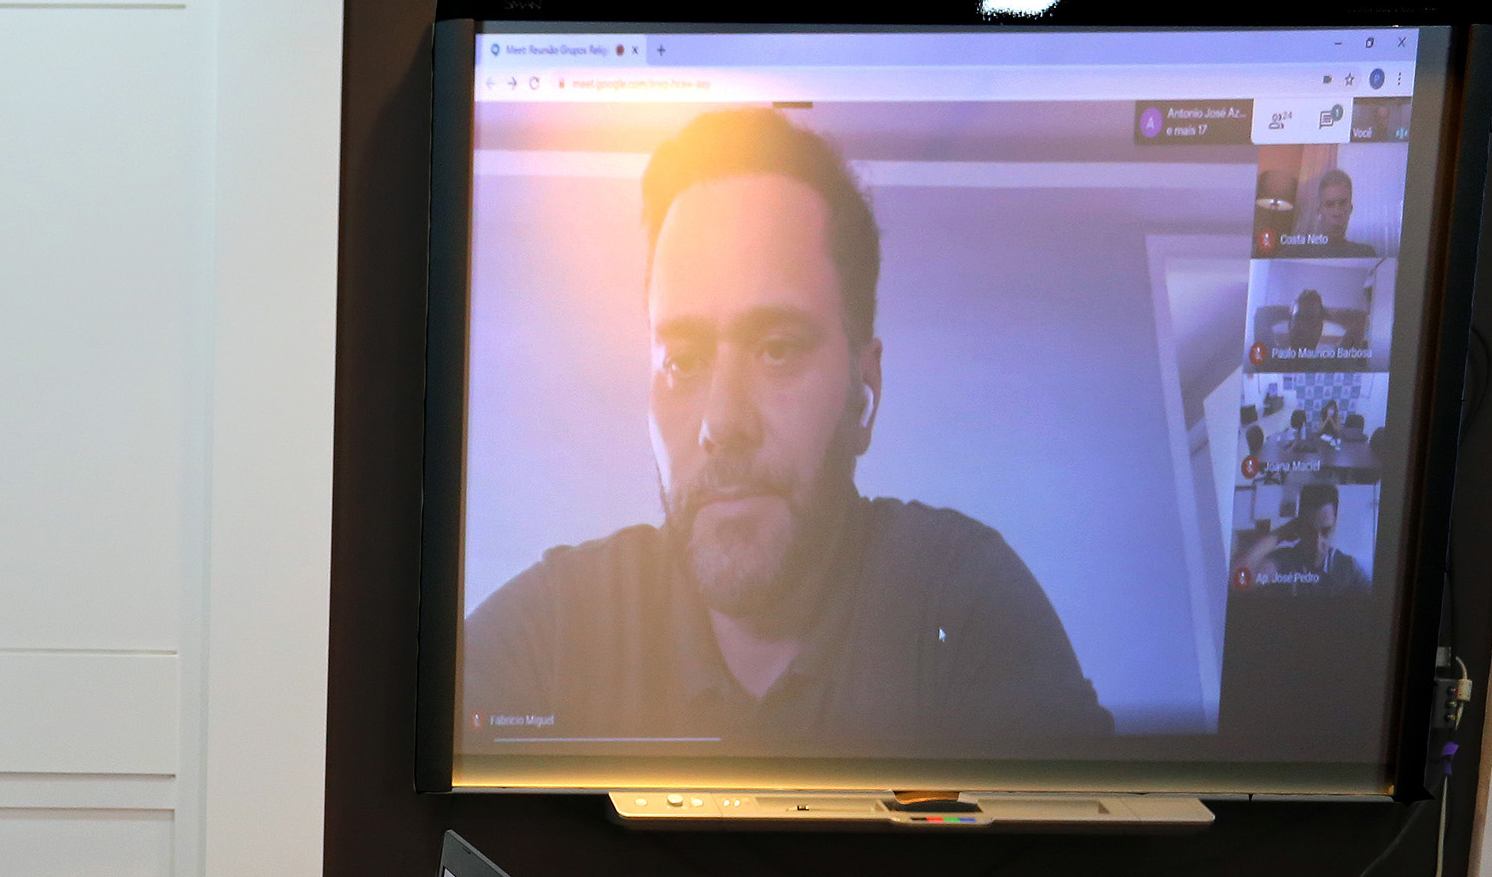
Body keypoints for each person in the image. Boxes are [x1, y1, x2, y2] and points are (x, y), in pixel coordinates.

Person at [461, 108, 1111, 751]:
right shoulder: (553, 631)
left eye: (777, 348)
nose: (722, 424)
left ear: (865, 391)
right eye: (682, 362)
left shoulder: (959, 601)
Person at [1258, 482, 1366, 595]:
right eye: (1310, 531)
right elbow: (1243, 577)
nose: (1317, 543)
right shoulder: (1281, 561)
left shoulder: (1348, 567)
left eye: (1325, 531)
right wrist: (1280, 533)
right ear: (1299, 525)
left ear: (1335, 524)